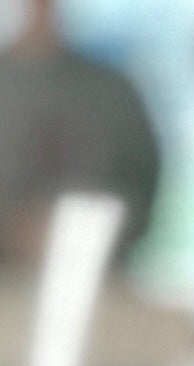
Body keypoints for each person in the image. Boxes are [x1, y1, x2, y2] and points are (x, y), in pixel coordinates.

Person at [0, 0, 160, 264]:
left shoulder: (112, 91)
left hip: (95, 278)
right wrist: (13, 231)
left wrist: (78, 234)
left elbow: (144, 185)